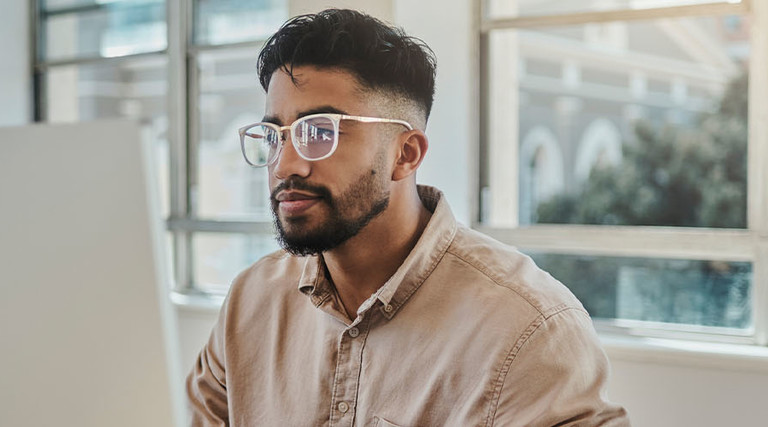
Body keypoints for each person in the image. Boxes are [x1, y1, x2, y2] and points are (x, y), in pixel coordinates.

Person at [187, 8, 629, 426]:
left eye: (319, 132)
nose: (285, 166)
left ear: (406, 154)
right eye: (274, 135)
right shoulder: (250, 304)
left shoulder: (529, 331)